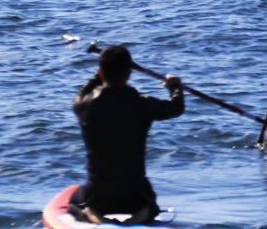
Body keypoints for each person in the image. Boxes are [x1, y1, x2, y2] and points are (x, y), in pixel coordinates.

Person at [69, 45, 184, 224]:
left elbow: (82, 93)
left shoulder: (84, 104)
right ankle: (144, 213)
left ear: (100, 72)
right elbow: (176, 107)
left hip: (97, 195)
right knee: (151, 203)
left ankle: (90, 214)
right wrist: (175, 87)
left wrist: (99, 75)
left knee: (72, 203)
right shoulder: (142, 104)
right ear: (129, 74)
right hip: (135, 195)